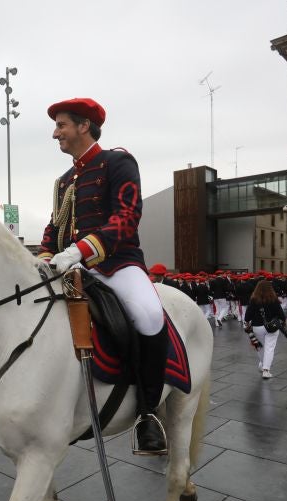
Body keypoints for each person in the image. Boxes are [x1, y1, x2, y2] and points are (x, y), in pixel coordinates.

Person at [39, 97, 167, 455]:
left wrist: (80, 251)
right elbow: (55, 227)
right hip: (73, 267)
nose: (55, 134)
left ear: (84, 125)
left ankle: (148, 413)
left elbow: (127, 217)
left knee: (149, 315)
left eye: (61, 125)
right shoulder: (64, 181)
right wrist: (45, 257)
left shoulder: (117, 162)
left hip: (117, 265)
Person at [244, 280, 285, 379]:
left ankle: (263, 364)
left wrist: (247, 322)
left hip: (257, 327)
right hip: (272, 327)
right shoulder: (274, 299)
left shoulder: (254, 300)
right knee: (270, 348)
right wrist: (283, 321)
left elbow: (247, 316)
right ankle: (266, 370)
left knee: (260, 347)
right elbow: (281, 315)